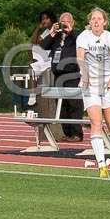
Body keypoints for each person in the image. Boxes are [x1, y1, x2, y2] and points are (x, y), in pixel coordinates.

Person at [76, 8, 110, 178]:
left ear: (104, 21)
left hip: (108, 84)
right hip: (91, 85)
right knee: (96, 123)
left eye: (99, 19)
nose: (96, 21)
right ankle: (102, 165)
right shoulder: (83, 37)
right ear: (89, 22)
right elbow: (80, 58)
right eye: (93, 19)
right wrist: (85, 77)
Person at [41, 12, 83, 141]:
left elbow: (82, 43)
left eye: (67, 21)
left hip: (72, 74)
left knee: (74, 104)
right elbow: (43, 46)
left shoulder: (78, 35)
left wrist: (71, 31)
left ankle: (77, 133)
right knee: (61, 104)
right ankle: (67, 133)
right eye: (62, 21)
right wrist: (52, 32)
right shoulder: (57, 36)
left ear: (72, 22)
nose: (64, 24)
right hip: (58, 74)